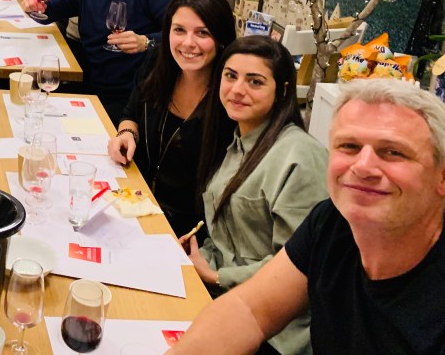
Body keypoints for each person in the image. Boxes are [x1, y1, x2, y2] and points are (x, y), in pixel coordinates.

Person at [167, 78, 445, 355]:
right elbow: (249, 310)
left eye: (393, 152)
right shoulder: (332, 222)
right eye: (349, 146)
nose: (363, 167)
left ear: (442, 177)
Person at [185, 36, 327, 355]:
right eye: (230, 76)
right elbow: (230, 237)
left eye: (255, 82)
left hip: (274, 330)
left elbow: (299, 264)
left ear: (283, 91)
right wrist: (199, 255)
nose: (237, 90)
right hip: (221, 297)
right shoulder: (237, 141)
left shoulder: (300, 156)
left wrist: (216, 275)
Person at [107, 0, 236, 235]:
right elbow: (131, 113)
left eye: (202, 33)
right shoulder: (158, 62)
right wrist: (126, 134)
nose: (188, 43)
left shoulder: (231, 96)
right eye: (179, 30)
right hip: (137, 203)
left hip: (190, 231)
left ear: (221, 38)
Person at [21, 0, 172, 120]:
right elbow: (51, 10)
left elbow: (181, 34)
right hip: (92, 90)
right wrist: (34, 5)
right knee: (31, 109)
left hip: (133, 99)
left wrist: (145, 42)